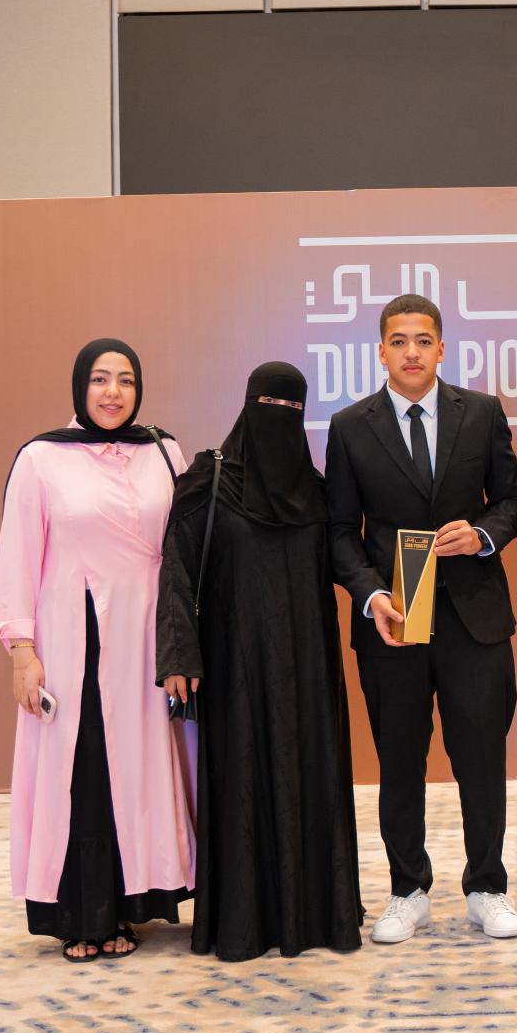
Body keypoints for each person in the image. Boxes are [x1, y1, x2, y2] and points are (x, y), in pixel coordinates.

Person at [325, 294, 517, 943]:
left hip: (475, 618)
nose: (411, 352)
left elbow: (512, 500)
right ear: (380, 352)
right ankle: (407, 890)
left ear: (441, 349)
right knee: (399, 761)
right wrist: (370, 595)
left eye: (422, 341)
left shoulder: (483, 413)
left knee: (481, 760)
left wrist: (483, 535)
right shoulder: (350, 427)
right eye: (398, 341)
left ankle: (487, 887)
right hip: (393, 621)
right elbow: (339, 532)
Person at [0, 338, 197, 964]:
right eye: (101, 379)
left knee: (141, 769)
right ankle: (83, 914)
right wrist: (22, 650)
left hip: (148, 640)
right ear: (80, 386)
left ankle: (131, 904)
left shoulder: (164, 452)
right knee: (84, 770)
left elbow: (184, 549)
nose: (113, 392)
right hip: (74, 638)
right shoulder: (41, 458)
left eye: (125, 380)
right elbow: (17, 555)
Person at [156, 362, 365, 961]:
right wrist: (179, 655)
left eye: (292, 409)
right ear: (247, 406)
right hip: (234, 665)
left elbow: (344, 559)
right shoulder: (208, 481)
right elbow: (176, 570)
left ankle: (316, 915)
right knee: (241, 780)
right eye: (269, 405)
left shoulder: (316, 492)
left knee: (311, 776)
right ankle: (243, 922)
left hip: (308, 667)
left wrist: (381, 593)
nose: (280, 419)